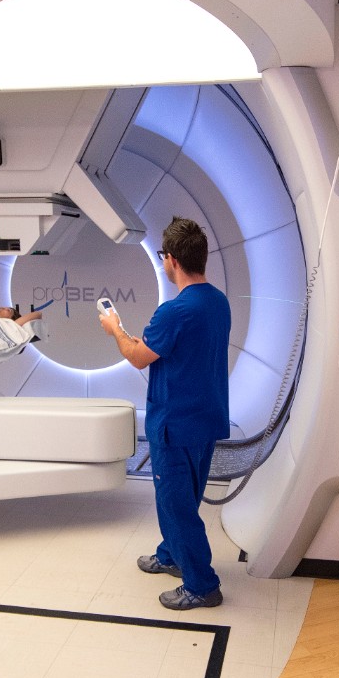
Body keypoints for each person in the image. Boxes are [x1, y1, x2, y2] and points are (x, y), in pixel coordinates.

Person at [99, 217, 231, 610]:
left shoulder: (173, 312)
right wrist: (145, 341)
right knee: (181, 498)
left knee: (176, 504)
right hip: (205, 420)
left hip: (174, 424)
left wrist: (115, 329)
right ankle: (171, 554)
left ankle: (202, 585)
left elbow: (138, 357)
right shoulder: (217, 302)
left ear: (170, 260)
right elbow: (178, 350)